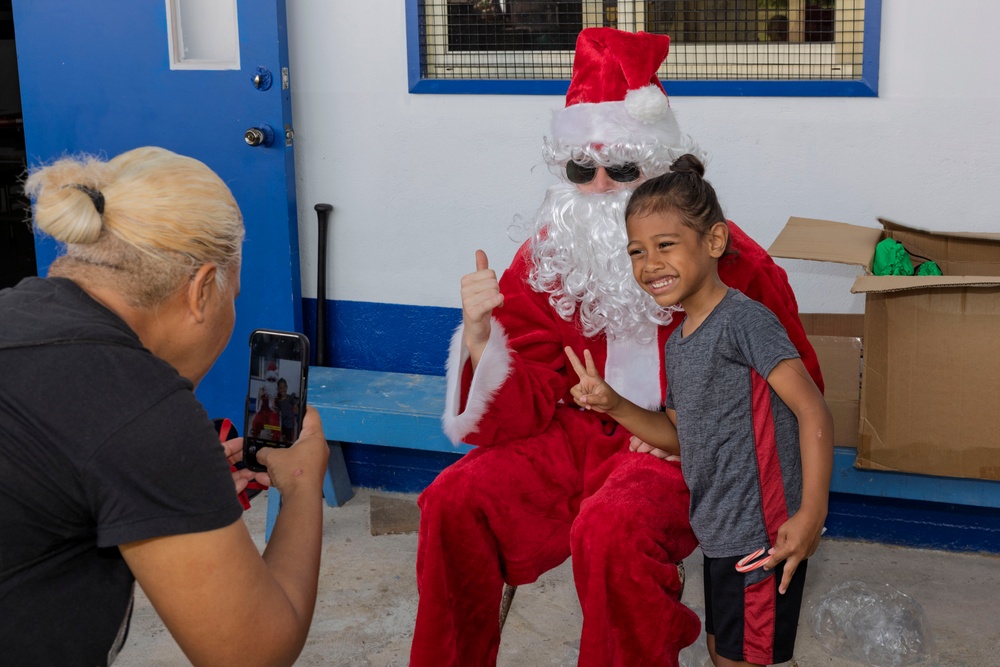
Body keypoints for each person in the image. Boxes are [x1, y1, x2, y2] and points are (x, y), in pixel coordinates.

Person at [410, 27, 824, 666]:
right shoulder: (547, 256)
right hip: (577, 431)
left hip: (679, 447)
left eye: (623, 169)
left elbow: (795, 397)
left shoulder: (735, 265)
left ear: (659, 168)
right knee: (453, 501)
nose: (601, 186)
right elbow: (518, 404)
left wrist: (699, 439)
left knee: (613, 530)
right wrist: (481, 339)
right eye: (583, 169)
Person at [0, 146, 329, 666]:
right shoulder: (143, 409)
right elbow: (253, 654)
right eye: (233, 295)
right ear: (201, 289)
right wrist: (304, 485)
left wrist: (167, 488)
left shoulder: (13, 310)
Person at [565, 154, 833, 667]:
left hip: (762, 533)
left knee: (743, 659)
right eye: (637, 251)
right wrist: (613, 403)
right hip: (719, 533)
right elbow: (678, 435)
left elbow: (813, 411)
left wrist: (810, 514)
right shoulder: (680, 342)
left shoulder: (745, 321)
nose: (650, 264)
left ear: (713, 242)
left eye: (665, 245)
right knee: (722, 650)